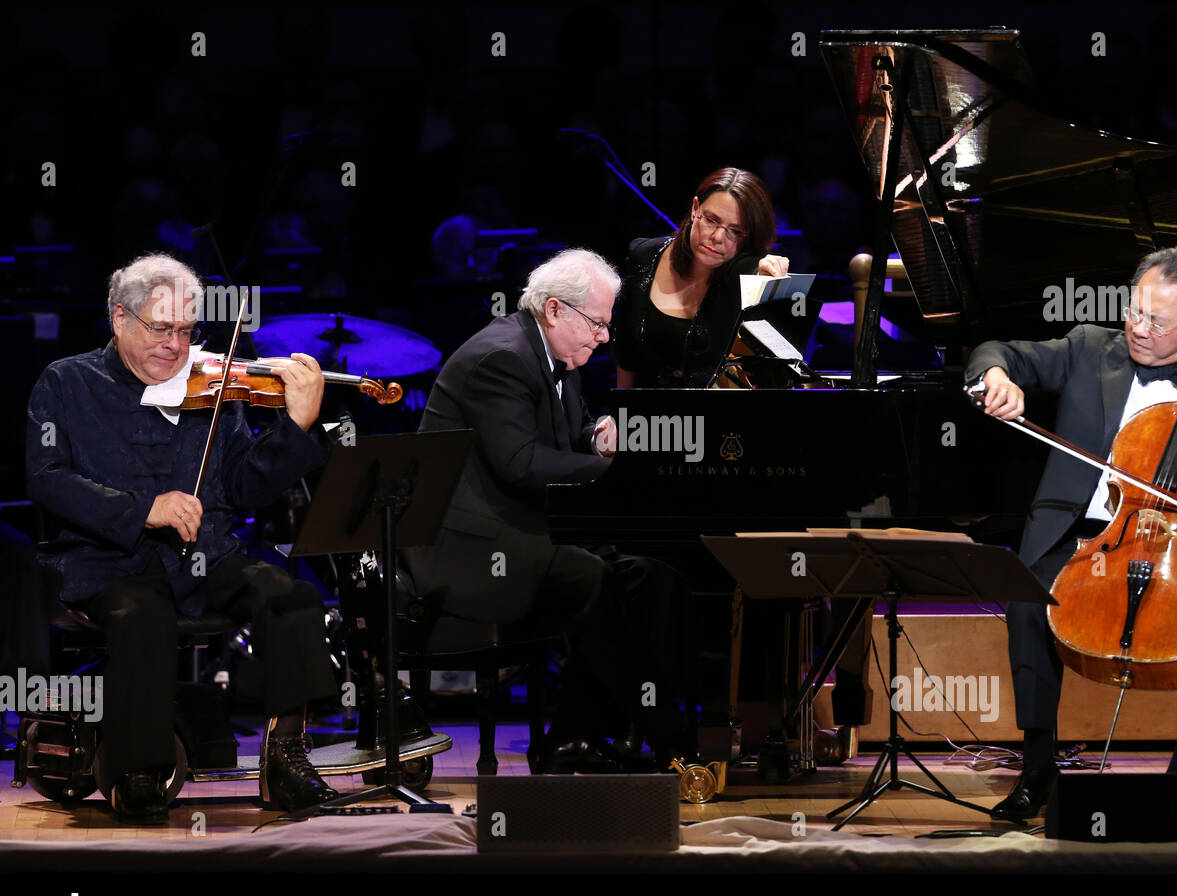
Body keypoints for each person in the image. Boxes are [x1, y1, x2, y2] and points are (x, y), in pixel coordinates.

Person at [967, 246, 1177, 820]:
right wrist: (996, 377)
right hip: (1086, 540)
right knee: (1027, 598)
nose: (1139, 329)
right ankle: (1038, 763)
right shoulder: (1089, 349)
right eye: (1134, 311)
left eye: (1158, 321)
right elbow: (996, 352)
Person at [26, 253, 340, 823]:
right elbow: (47, 479)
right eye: (162, 328)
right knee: (142, 614)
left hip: (206, 556)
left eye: (187, 330)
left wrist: (294, 428)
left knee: (290, 596)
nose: (176, 345)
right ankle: (138, 772)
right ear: (120, 320)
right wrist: (143, 509)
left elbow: (245, 487)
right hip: (108, 563)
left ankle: (288, 756)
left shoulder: (212, 385)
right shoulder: (67, 382)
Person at [403, 248, 689, 771]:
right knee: (589, 574)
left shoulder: (557, 352)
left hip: (517, 530)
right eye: (598, 324)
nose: (605, 337)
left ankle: (582, 734)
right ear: (555, 309)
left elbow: (564, 434)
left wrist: (598, 438)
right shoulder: (502, 357)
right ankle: (668, 737)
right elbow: (521, 463)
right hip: (466, 548)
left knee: (650, 575)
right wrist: (622, 473)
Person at [614, 167, 789, 388]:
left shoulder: (747, 273)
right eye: (711, 220)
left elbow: (767, 377)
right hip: (645, 418)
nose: (717, 237)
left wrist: (770, 278)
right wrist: (621, 414)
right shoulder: (644, 255)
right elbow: (626, 354)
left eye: (734, 231)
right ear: (695, 208)